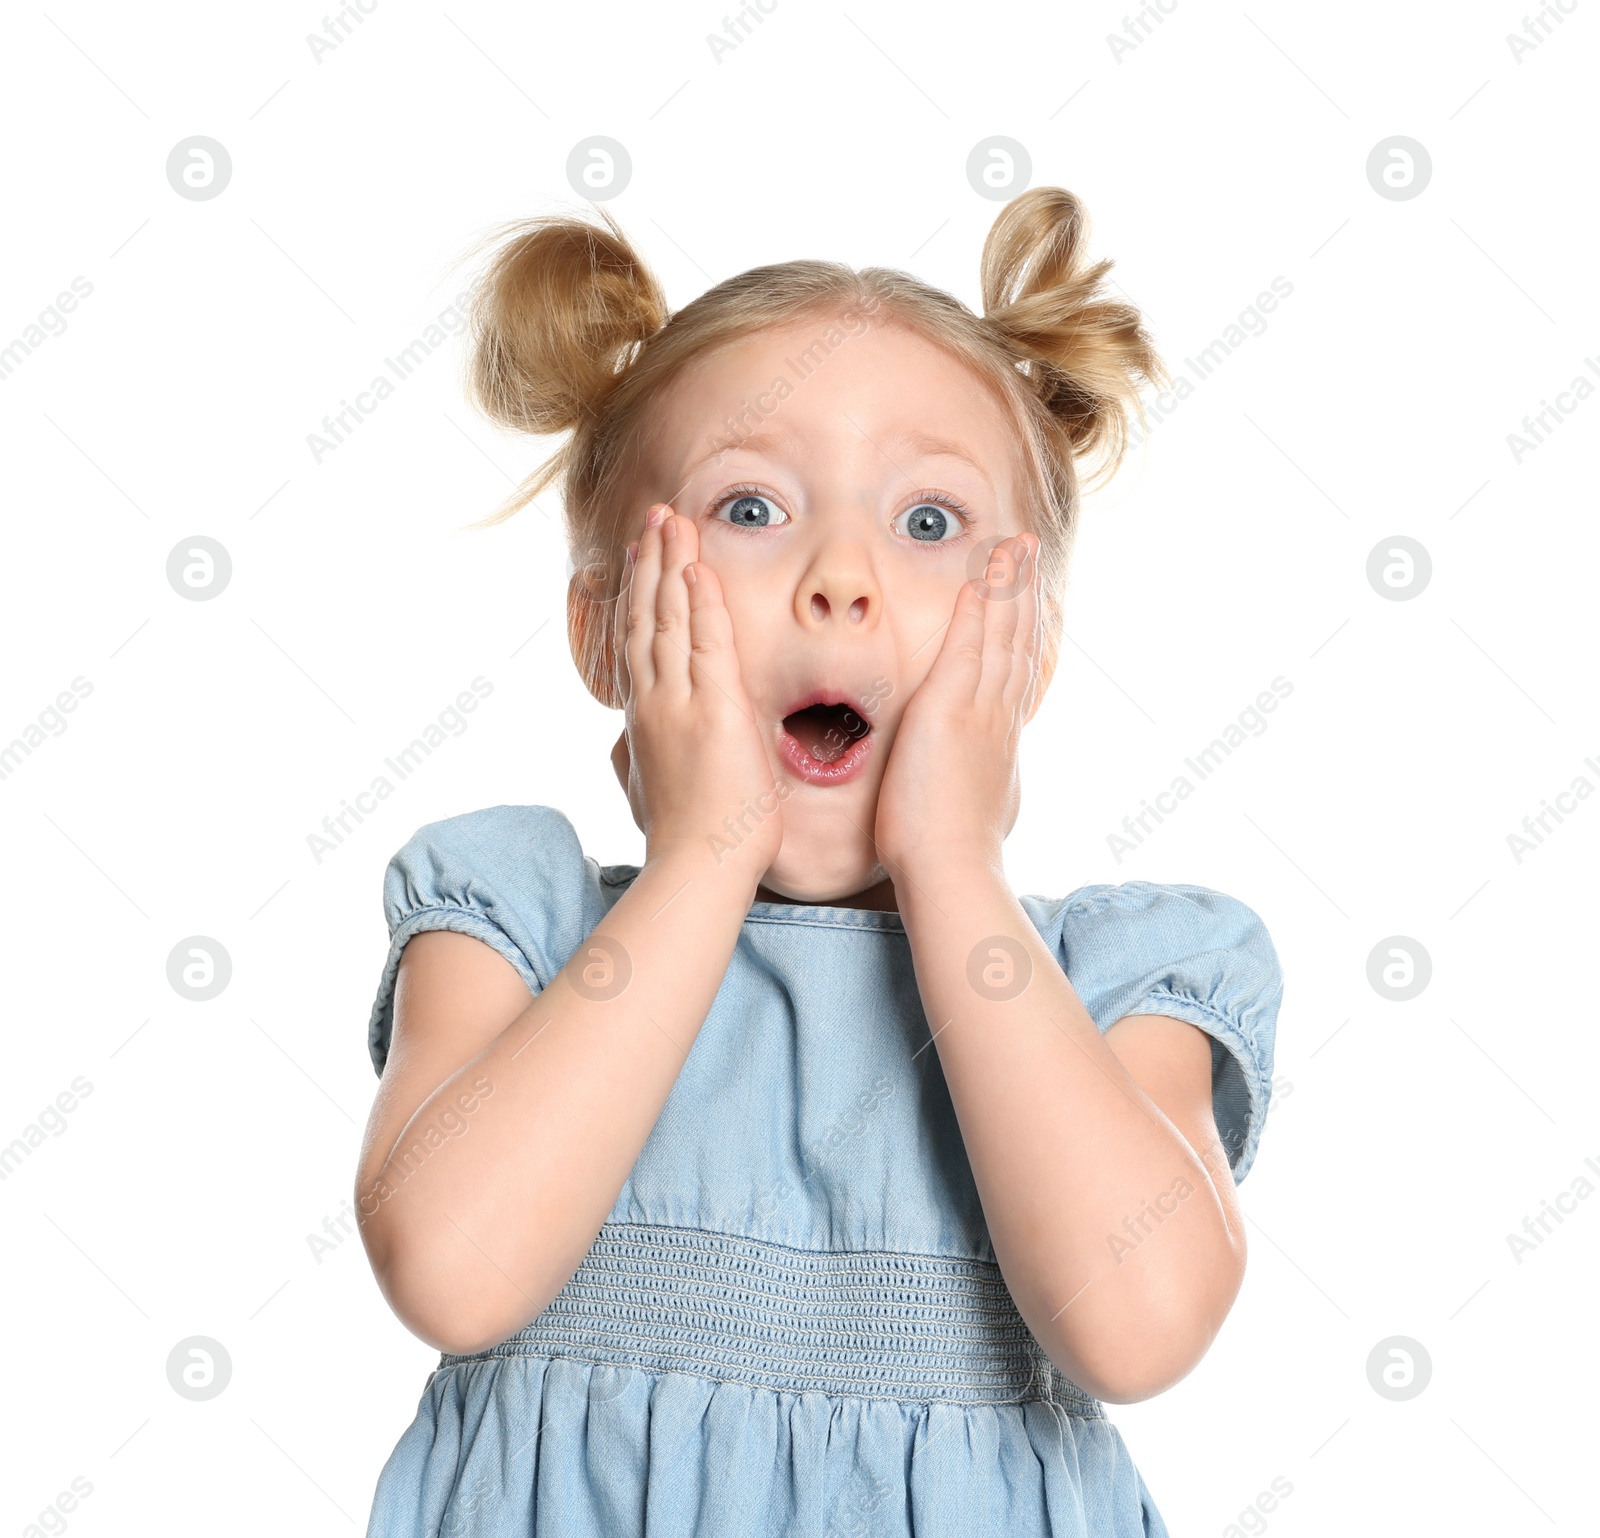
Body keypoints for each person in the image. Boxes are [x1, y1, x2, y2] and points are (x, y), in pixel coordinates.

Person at [355, 185, 1286, 1536]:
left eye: (926, 523)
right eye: (749, 507)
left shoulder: (1114, 983)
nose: (841, 576)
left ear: (1025, 644)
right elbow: (450, 1267)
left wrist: (953, 862)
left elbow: (1136, 1326)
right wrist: (700, 859)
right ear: (607, 626)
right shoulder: (514, 922)